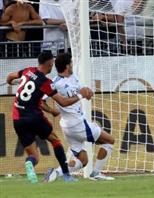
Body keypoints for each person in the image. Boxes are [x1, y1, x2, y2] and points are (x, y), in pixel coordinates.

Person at [6, 51, 91, 183]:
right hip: (34, 116)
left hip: (17, 118)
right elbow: (62, 102)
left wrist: (12, 83)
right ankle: (67, 176)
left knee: (34, 155)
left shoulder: (28, 71)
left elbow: (10, 76)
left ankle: (30, 163)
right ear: (50, 64)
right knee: (55, 141)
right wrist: (80, 95)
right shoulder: (46, 82)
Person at [44, 53, 115, 182]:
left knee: (83, 160)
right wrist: (51, 110)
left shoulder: (73, 77)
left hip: (68, 127)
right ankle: (96, 173)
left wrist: (88, 91)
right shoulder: (55, 84)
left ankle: (55, 173)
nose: (72, 65)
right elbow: (41, 100)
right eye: (71, 63)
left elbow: (84, 90)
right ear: (67, 66)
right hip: (77, 123)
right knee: (109, 141)